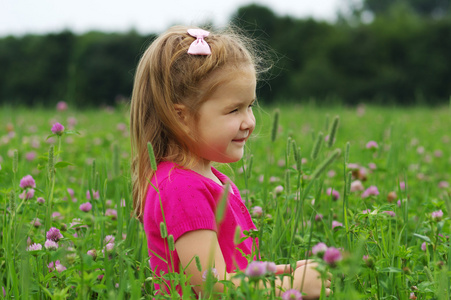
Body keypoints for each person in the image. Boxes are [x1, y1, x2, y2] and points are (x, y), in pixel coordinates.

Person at [130, 25, 331, 298]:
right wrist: (290, 286)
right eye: (234, 110)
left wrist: (281, 272)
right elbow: (213, 287)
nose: (249, 122)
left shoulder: (207, 179)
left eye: (250, 106)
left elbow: (234, 269)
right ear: (182, 116)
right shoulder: (179, 188)